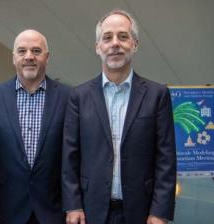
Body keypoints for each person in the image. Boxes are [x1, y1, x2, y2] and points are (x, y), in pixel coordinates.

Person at [62, 9, 176, 224]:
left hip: (142, 212)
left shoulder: (157, 95)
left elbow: (166, 159)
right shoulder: (78, 96)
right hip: (90, 210)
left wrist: (160, 211)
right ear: (98, 47)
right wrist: (73, 205)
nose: (115, 43)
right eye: (107, 38)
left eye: (123, 36)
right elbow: (70, 156)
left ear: (135, 44)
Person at [0, 29, 70, 224]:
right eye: (22, 51)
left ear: (47, 57)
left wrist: (74, 204)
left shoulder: (68, 97)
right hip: (6, 208)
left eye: (36, 51)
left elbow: (75, 155)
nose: (29, 57)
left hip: (55, 209)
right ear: (13, 57)